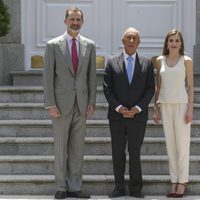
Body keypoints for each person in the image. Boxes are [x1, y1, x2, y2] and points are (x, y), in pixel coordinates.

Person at [43, 7, 96, 199]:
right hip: (60, 105)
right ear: (65, 21)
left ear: (82, 22)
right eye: (72, 19)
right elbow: (47, 76)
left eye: (78, 20)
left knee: (77, 148)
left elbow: (91, 76)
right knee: (60, 147)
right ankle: (61, 187)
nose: (75, 23)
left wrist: (91, 101)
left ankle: (75, 186)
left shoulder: (89, 45)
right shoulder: (53, 45)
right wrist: (50, 104)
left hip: (81, 104)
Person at [103, 27, 155, 198]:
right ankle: (119, 188)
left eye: (135, 38)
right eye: (128, 38)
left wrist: (137, 108)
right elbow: (107, 89)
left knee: (135, 153)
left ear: (139, 42)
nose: (131, 41)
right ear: (123, 40)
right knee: (117, 153)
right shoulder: (111, 62)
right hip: (117, 117)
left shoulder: (147, 63)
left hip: (138, 117)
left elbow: (150, 89)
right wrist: (119, 108)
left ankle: (135, 189)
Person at [152, 29, 194, 198]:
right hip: (165, 105)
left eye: (177, 41)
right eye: (171, 41)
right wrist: (155, 108)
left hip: (182, 106)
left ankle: (182, 182)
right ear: (167, 43)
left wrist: (190, 109)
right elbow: (158, 86)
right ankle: (173, 181)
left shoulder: (187, 61)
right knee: (170, 146)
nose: (174, 44)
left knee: (182, 147)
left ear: (181, 43)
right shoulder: (160, 60)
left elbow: (191, 87)